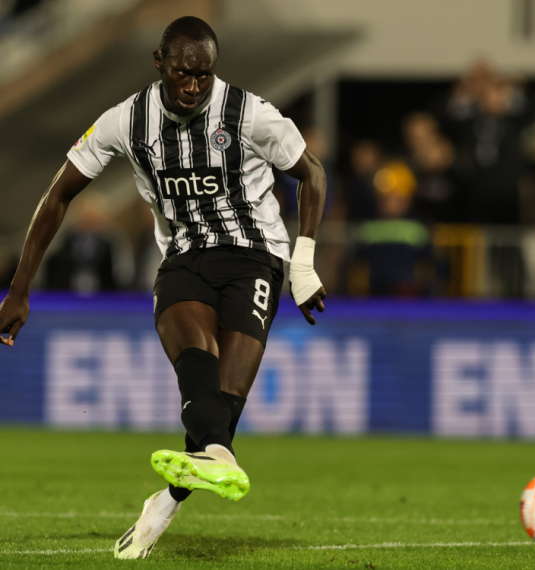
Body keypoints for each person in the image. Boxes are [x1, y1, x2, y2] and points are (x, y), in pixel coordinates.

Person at [0, 16, 327, 559]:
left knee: (222, 409)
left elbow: (312, 172)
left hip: (255, 257)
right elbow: (57, 195)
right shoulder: (126, 120)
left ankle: (167, 501)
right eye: (183, 74)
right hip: (184, 260)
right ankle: (210, 458)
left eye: (204, 75)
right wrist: (19, 288)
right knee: (197, 376)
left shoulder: (249, 114)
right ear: (159, 63)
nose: (194, 86)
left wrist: (304, 261)